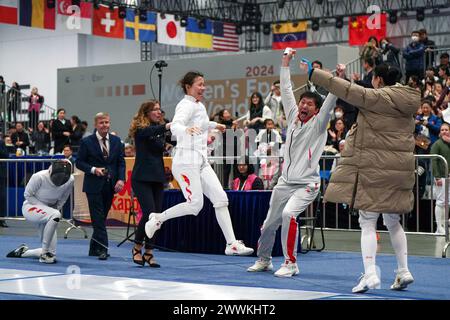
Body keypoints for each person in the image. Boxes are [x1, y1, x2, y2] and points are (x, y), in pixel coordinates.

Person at [305, 61, 420, 293]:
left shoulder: (376, 97)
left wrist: (314, 73)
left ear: (378, 79)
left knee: (367, 221)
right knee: (392, 221)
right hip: (399, 172)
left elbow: (345, 89)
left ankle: (370, 275)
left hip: (374, 170)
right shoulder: (408, 101)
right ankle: (403, 270)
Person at [247, 50, 338, 277]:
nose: (304, 106)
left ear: (316, 110)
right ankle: (264, 259)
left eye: (309, 104)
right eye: (302, 102)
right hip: (285, 182)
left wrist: (339, 79)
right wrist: (285, 63)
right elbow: (286, 89)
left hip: (307, 184)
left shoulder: (318, 124)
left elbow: (331, 99)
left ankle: (290, 263)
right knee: (269, 223)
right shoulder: (294, 117)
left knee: (289, 215)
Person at [144, 71, 253, 256]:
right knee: (195, 205)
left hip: (200, 160)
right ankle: (157, 219)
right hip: (186, 161)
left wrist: (213, 125)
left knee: (221, 199)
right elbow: (176, 125)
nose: (203, 87)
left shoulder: (199, 105)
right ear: (188, 87)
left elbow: (201, 123)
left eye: (204, 84)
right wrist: (186, 129)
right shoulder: (185, 105)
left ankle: (231, 244)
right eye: (199, 84)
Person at [76, 112, 126, 260]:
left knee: (101, 218)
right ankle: (103, 249)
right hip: (93, 185)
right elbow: (79, 162)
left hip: (110, 185)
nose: (105, 125)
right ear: (96, 125)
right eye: (102, 123)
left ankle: (93, 248)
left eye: (107, 122)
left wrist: (121, 179)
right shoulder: (87, 142)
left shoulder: (117, 141)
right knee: (98, 218)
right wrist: (93, 169)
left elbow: (120, 162)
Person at [128, 100, 171, 268]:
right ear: (146, 113)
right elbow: (151, 131)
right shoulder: (141, 130)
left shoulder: (159, 131)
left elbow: (170, 142)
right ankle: (137, 247)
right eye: (155, 110)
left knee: (157, 218)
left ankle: (149, 252)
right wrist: (167, 127)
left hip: (157, 177)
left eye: (160, 110)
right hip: (142, 178)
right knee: (148, 213)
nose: (159, 112)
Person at [5, 160, 74, 263]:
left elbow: (63, 198)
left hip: (50, 212)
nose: (60, 180)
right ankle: (44, 253)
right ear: (51, 171)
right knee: (55, 215)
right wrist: (47, 209)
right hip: (31, 207)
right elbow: (27, 195)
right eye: (58, 177)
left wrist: (54, 209)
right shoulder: (39, 176)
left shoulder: (70, 180)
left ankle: (24, 252)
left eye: (63, 177)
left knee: (52, 255)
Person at [430, 122, 450, 234]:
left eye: (446, 129)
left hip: (449, 177)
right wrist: (437, 177)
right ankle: (439, 227)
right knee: (441, 202)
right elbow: (434, 160)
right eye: (442, 130)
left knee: (448, 202)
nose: (444, 132)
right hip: (441, 177)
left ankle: (444, 224)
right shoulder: (437, 144)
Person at [0, 137, 8, 227]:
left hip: (0, 174)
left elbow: (6, 155)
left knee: (1, 197)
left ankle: (1, 219)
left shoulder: (1, 142)